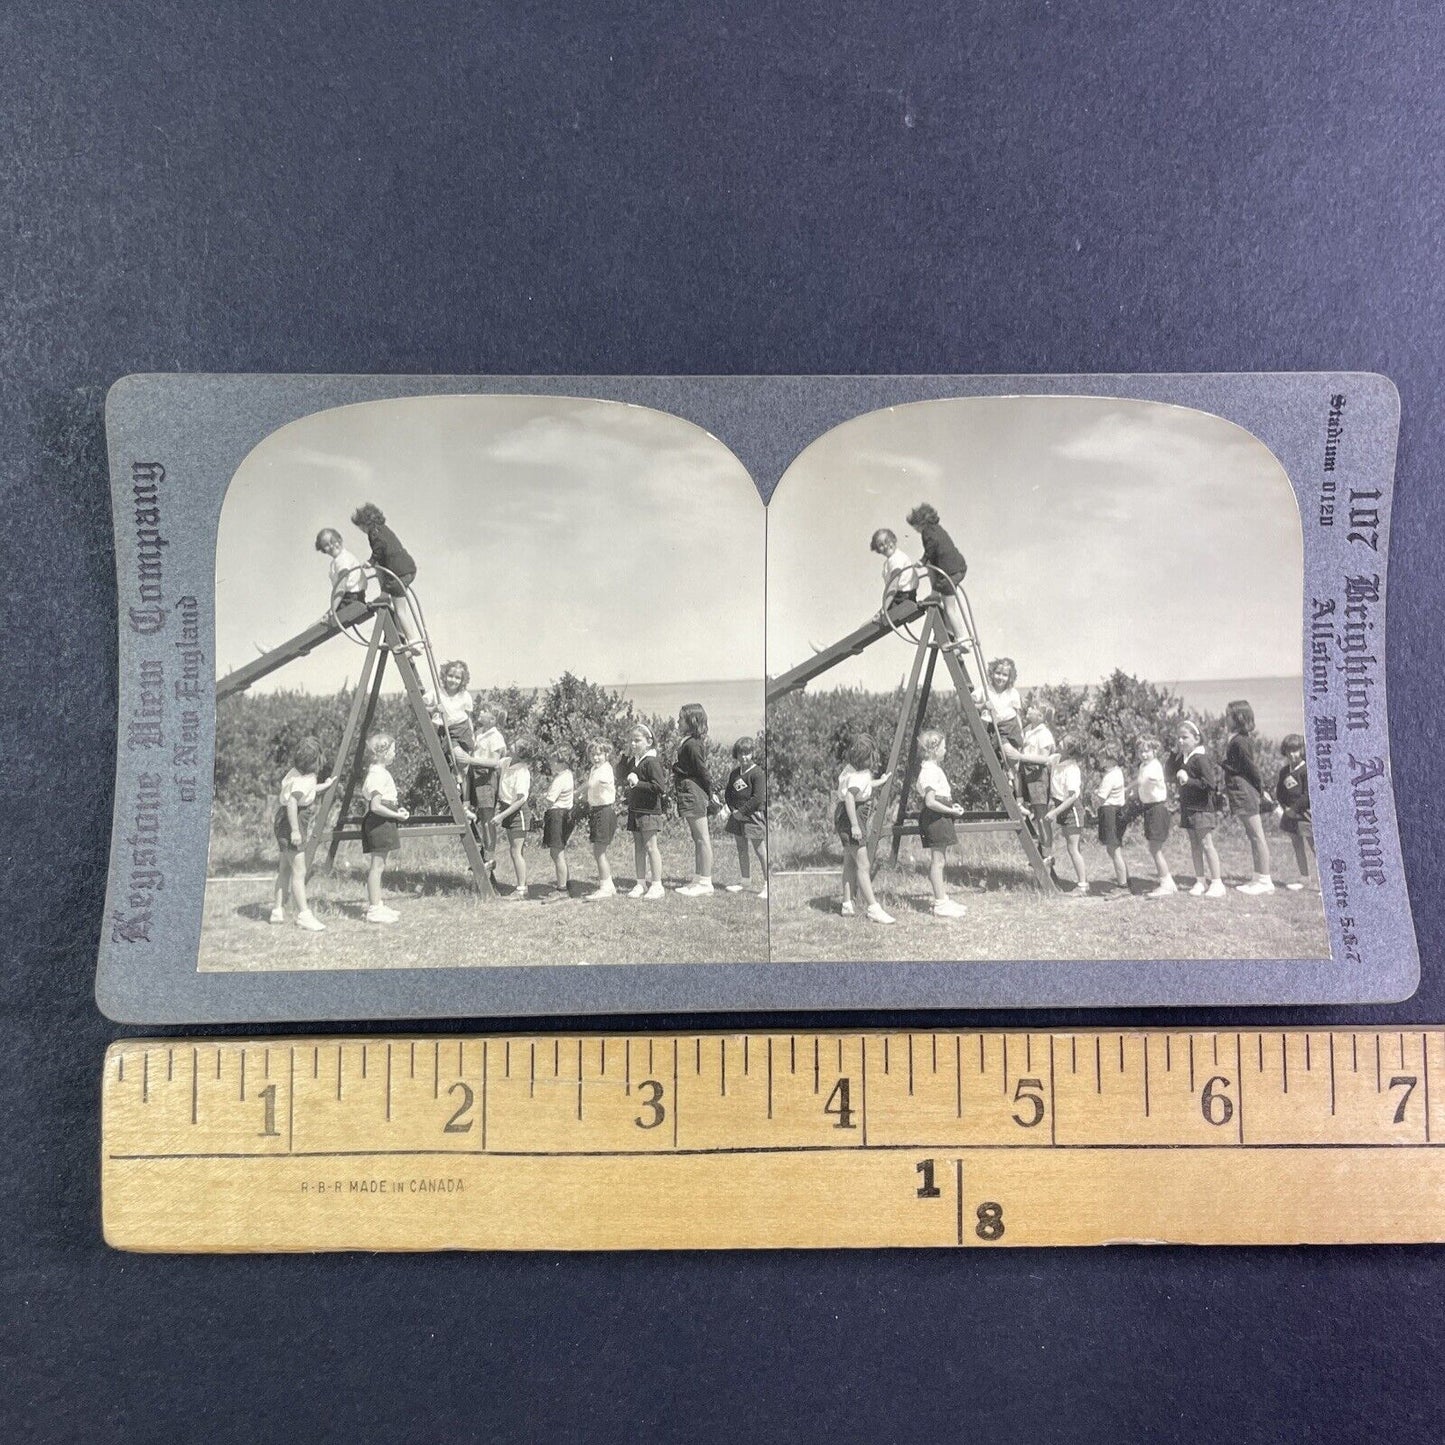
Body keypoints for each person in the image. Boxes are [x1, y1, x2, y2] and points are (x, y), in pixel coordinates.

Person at [270, 736, 334, 931]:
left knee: (285, 868)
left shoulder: (295, 774)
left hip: (282, 820)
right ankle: (304, 915)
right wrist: (296, 830)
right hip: (293, 821)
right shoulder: (303, 780)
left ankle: (277, 910)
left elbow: (307, 790)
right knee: (299, 871)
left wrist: (325, 785)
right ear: (315, 761)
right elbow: (292, 802)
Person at [835, 734, 895, 924]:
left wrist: (881, 781)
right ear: (867, 759)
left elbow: (864, 785)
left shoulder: (850, 771)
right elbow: (851, 798)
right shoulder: (858, 776)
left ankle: (846, 903)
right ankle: (873, 908)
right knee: (863, 864)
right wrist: (854, 825)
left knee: (850, 862)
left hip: (844, 816)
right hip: (852, 817)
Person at [350, 503, 422, 651]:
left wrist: (370, 561)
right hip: (408, 569)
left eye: (361, 527)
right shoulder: (384, 529)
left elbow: (379, 548)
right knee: (396, 604)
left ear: (366, 523)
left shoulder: (374, 533)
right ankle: (400, 635)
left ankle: (414, 641)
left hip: (397, 575)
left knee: (400, 610)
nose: (362, 530)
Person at [914, 728, 968, 918]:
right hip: (935, 818)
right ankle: (939, 903)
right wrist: (950, 810)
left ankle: (943, 899)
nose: (946, 750)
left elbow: (939, 797)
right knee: (938, 862)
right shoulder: (929, 771)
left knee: (940, 861)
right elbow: (930, 801)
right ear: (934, 750)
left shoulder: (932, 769)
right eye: (944, 747)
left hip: (939, 816)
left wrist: (952, 806)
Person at [1224, 699, 1275, 895]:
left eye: (1228, 715)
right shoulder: (1237, 738)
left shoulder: (1240, 741)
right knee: (1253, 835)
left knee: (1257, 835)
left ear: (1239, 718)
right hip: (1242, 790)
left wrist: (1262, 790)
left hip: (1246, 791)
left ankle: (1265, 880)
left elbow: (1251, 768)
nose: (1225, 719)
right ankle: (1258, 876)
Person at [1171, 719, 1226, 898]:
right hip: (1188, 807)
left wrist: (1188, 780)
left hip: (1202, 808)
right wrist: (1173, 754)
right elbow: (1168, 773)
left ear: (1196, 738)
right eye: (1178, 738)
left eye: (1184, 737)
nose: (1180, 741)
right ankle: (1200, 880)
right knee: (1195, 845)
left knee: (1206, 844)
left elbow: (1210, 784)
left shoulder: (1200, 758)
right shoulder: (1184, 758)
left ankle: (1217, 883)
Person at [673, 703, 722, 897]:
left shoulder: (692, 744)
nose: (677, 722)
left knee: (703, 838)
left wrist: (711, 793)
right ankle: (698, 878)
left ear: (691, 721)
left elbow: (703, 771)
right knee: (697, 838)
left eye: (681, 719)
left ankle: (706, 882)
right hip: (689, 789)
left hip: (694, 790)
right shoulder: (687, 742)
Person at [905, 502, 969, 651]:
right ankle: (949, 631)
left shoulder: (927, 532)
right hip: (957, 569)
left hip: (949, 574)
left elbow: (931, 548)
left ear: (920, 522)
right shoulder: (937, 529)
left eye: (915, 526)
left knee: (949, 608)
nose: (915, 530)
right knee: (932, 568)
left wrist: (922, 561)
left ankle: (962, 639)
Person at [359, 731, 409, 924]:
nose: (395, 754)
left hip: (384, 820)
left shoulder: (379, 772)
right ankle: (373, 909)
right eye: (393, 750)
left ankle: (378, 904)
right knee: (376, 867)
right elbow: (376, 806)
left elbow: (384, 801)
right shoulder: (377, 774)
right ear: (383, 753)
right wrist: (396, 814)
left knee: (380, 865)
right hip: (380, 823)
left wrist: (397, 810)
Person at [620, 723, 667, 900]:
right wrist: (625, 756)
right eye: (631, 740)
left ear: (649, 741)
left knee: (650, 847)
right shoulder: (635, 760)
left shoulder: (652, 761)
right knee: (639, 847)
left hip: (649, 811)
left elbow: (659, 787)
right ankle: (640, 883)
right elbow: (620, 773)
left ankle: (657, 885)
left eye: (637, 740)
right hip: (635, 809)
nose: (633, 744)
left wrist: (637, 783)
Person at [722, 736, 768, 899]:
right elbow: (728, 793)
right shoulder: (735, 773)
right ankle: (745, 881)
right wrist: (732, 809)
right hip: (736, 815)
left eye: (747, 753)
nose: (744, 757)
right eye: (741, 753)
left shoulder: (757, 773)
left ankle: (767, 884)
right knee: (742, 848)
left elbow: (758, 798)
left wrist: (742, 811)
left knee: (760, 850)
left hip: (752, 816)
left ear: (752, 753)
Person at [1045, 735, 1088, 896]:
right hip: (1060, 806)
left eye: (1062, 742)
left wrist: (1055, 812)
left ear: (1069, 750)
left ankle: (1083, 885)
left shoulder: (1072, 769)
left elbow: (1072, 797)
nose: (1059, 742)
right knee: (1070, 847)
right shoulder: (1057, 758)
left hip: (1071, 810)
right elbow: (1042, 760)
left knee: (1073, 848)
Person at [425, 659, 474, 802]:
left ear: (463, 680)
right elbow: (419, 707)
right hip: (447, 731)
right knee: (459, 757)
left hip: (463, 730)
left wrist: (472, 735)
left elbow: (469, 717)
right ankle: (455, 782)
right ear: (444, 676)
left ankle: (464, 801)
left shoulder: (465, 695)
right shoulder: (436, 692)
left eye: (458, 678)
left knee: (465, 768)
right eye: (451, 676)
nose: (453, 680)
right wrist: (434, 709)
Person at [1135, 736, 1177, 898]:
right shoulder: (1143, 766)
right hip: (1149, 808)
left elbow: (1140, 782)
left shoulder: (1154, 766)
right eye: (1140, 752)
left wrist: (1125, 789)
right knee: (1153, 848)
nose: (1144, 755)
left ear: (1154, 751)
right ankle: (1166, 881)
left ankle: (1167, 884)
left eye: (1147, 751)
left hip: (1158, 808)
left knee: (1155, 848)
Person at [1274, 733, 1315, 891]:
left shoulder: (1306, 770)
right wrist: (1285, 808)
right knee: (1297, 845)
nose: (1292, 754)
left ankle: (1326, 885)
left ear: (1302, 750)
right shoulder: (1284, 771)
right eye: (1289, 751)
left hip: (1305, 814)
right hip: (1290, 816)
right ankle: (1304, 878)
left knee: (1314, 847)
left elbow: (1308, 794)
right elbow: (1280, 792)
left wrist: (1295, 808)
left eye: (1296, 750)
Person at [493, 738, 534, 899]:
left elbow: (520, 800)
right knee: (515, 851)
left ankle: (522, 889)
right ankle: (521, 886)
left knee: (516, 851)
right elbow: (492, 764)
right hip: (507, 810)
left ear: (520, 752)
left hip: (518, 813)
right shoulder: (507, 762)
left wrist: (501, 816)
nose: (511, 744)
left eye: (515, 745)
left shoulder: (522, 771)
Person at [466, 705, 507, 860]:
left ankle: (489, 856)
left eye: (484, 711)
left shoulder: (495, 737)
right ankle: (483, 853)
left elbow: (494, 762)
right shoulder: (479, 733)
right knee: (478, 816)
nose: (481, 712)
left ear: (492, 719)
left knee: (487, 820)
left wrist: (471, 760)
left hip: (486, 778)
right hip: (475, 776)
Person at [582, 738, 619, 900]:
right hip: (597, 811)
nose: (596, 757)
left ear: (607, 754)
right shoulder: (594, 769)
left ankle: (605, 887)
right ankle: (608, 885)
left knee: (599, 851)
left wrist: (575, 792)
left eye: (600, 754)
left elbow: (590, 785)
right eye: (593, 754)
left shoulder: (605, 769)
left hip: (604, 812)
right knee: (598, 850)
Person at [1092, 743, 1131, 892]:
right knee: (1112, 849)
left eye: (1103, 758)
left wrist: (1095, 794)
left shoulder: (1110, 776)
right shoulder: (1117, 772)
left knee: (1114, 850)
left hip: (1109, 812)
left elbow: (1101, 798)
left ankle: (1123, 886)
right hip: (1114, 810)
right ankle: (1126, 879)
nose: (1100, 760)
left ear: (1111, 760)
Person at [1018, 703, 1056, 858]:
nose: (1028, 709)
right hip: (1028, 773)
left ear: (1040, 716)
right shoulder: (1029, 730)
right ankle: (1043, 852)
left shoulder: (1044, 734)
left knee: (1042, 817)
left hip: (1038, 775)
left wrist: (1021, 757)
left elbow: (1044, 758)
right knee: (1035, 814)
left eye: (1033, 708)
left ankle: (1047, 853)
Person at [540, 748, 576, 897]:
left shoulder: (560, 779)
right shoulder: (568, 775)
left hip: (557, 815)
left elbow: (549, 800)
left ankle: (562, 889)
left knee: (557, 852)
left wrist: (543, 797)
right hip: (563, 814)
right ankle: (566, 882)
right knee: (558, 851)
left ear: (562, 763)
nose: (551, 764)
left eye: (553, 761)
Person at [976, 657, 1024, 751]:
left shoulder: (1013, 692)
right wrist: (983, 706)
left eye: (1005, 675)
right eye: (998, 673)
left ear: (1010, 677)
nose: (1000, 677)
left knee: (1012, 757)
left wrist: (1021, 732)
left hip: (1011, 728)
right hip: (993, 728)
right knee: (1002, 755)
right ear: (992, 673)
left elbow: (1017, 715)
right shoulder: (985, 689)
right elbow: (970, 704)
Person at [314, 528, 367, 613]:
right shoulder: (338, 560)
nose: (331, 546)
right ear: (323, 550)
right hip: (353, 597)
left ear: (340, 539)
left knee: (323, 623)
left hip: (351, 598)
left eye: (333, 541)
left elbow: (341, 587)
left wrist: (332, 610)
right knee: (320, 621)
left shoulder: (342, 559)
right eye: (326, 545)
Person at [870, 527, 923, 609]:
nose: (885, 546)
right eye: (881, 545)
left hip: (903, 597)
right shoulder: (890, 561)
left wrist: (884, 608)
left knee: (881, 619)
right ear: (877, 549)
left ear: (894, 540)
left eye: (887, 541)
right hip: (900, 596)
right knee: (879, 618)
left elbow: (893, 584)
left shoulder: (896, 558)